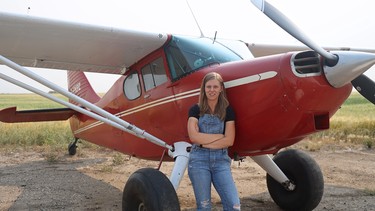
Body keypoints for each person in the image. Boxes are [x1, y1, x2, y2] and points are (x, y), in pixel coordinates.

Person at [187, 72, 241, 211]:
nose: (212, 90)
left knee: (234, 205)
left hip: (221, 160)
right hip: (199, 160)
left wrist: (203, 141)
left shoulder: (228, 110)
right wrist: (220, 136)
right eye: (208, 87)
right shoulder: (195, 110)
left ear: (221, 88)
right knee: (204, 206)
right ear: (203, 89)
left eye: (215, 87)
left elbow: (229, 140)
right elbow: (193, 137)